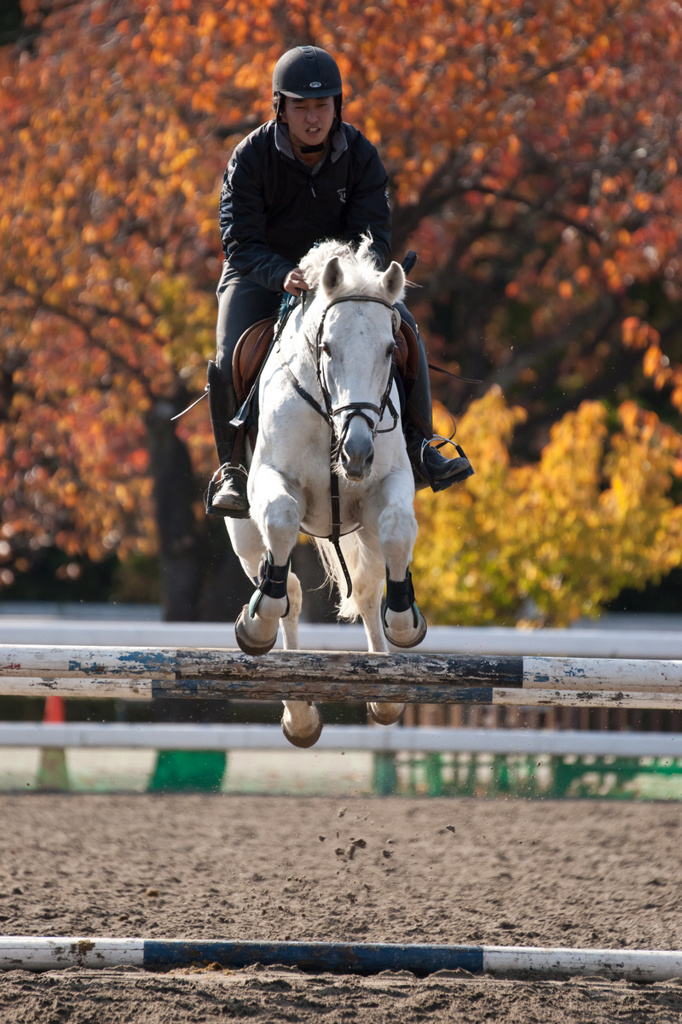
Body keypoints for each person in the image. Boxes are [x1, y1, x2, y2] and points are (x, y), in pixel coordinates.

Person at [207, 44, 473, 516]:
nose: (313, 118)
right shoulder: (249, 157)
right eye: (302, 107)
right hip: (262, 270)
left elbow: (373, 236)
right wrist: (281, 273)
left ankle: (421, 446)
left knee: (404, 330)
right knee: (228, 355)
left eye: (322, 106)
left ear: (337, 107)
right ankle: (231, 468)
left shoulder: (361, 155)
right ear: (281, 108)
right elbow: (240, 241)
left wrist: (349, 277)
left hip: (342, 275)